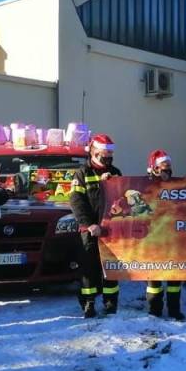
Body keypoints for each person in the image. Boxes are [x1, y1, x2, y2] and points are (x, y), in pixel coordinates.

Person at [69, 134, 122, 318]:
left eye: (110, 153)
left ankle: (110, 303)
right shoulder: (82, 173)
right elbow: (76, 201)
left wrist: (110, 184)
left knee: (111, 269)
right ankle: (88, 303)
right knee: (89, 270)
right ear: (94, 151)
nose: (108, 156)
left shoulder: (115, 172)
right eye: (105, 153)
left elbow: (121, 200)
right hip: (90, 231)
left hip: (112, 231)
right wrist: (89, 224)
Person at [145, 150, 185, 320]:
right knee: (154, 279)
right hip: (153, 239)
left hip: (173, 239)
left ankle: (174, 310)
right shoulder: (144, 185)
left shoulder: (177, 185)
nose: (167, 170)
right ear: (154, 168)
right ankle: (154, 310)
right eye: (163, 167)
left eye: (169, 167)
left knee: (174, 278)